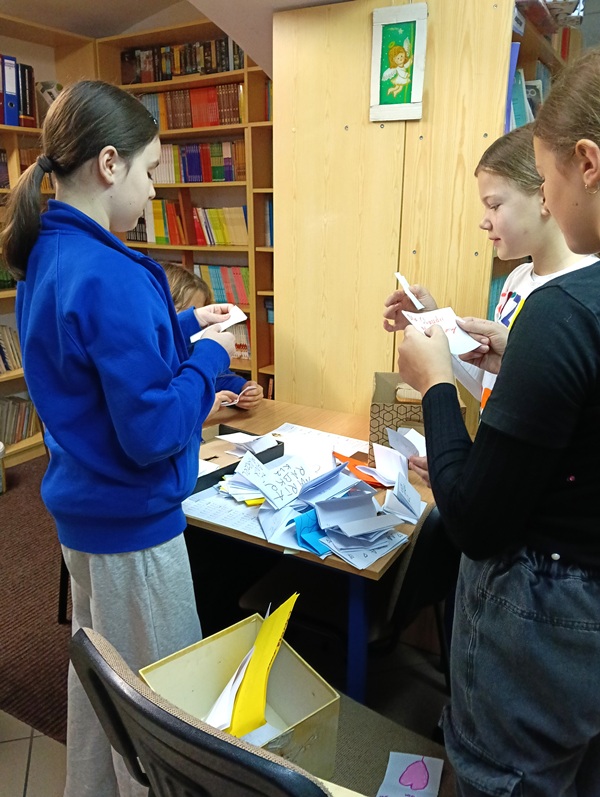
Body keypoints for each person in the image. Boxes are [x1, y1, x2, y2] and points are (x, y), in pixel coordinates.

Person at [0, 80, 236, 797]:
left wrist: (186, 326)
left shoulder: (50, 253)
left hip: (85, 519)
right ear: (109, 164)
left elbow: (93, 360)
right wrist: (211, 358)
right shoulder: (113, 271)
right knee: (161, 718)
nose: (154, 189)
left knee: (103, 692)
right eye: (150, 171)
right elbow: (154, 429)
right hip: (135, 530)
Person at [393, 50, 600, 796]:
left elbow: (478, 521)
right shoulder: (540, 300)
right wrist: (504, 357)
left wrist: (434, 384)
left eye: (543, 178)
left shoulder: (563, 306)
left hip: (545, 615)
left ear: (585, 165)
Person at [383, 122, 596, 485]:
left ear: (544, 196)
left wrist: (435, 380)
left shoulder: (576, 297)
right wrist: (432, 322)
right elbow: (492, 383)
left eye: (494, 205)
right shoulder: (517, 279)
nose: (484, 222)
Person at [161, 261, 263, 423]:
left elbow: (220, 378)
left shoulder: (194, 343)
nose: (192, 320)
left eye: (195, 312)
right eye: (183, 311)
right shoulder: (154, 354)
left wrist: (243, 390)